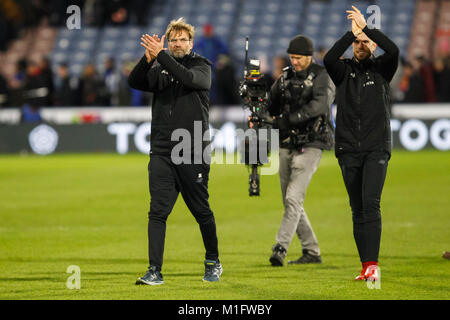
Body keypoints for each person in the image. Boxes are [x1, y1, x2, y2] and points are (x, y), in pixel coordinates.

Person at [128, 17, 222, 285]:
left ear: (191, 43)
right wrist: (147, 59)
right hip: (160, 150)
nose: (177, 44)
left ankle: (213, 261)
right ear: (168, 44)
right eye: (173, 40)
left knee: (200, 210)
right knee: (157, 211)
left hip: (191, 150)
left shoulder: (201, 65)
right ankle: (154, 270)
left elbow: (189, 78)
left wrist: (161, 57)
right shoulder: (159, 66)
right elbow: (135, 82)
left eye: (182, 40)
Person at [323, 6, 399, 281]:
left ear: (373, 45)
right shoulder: (342, 71)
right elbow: (329, 57)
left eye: (364, 42)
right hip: (347, 150)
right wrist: (352, 33)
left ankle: (373, 264)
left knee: (370, 204)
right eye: (356, 43)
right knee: (357, 209)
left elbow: (394, 51)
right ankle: (366, 266)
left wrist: (366, 28)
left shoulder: (382, 68)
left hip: (376, 147)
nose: (359, 46)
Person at [265, 35, 335, 266]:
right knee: (290, 201)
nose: (294, 62)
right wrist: (261, 112)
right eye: (291, 57)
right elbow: (271, 104)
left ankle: (280, 248)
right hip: (287, 142)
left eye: (298, 58)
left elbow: (320, 105)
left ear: (309, 56)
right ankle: (311, 251)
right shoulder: (285, 77)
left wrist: (289, 120)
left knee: (293, 197)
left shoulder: (322, 76)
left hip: (312, 142)